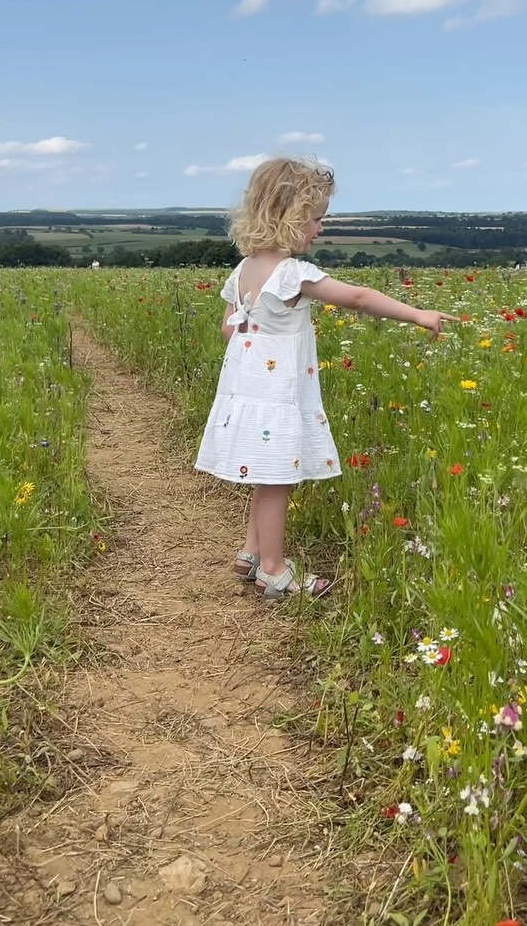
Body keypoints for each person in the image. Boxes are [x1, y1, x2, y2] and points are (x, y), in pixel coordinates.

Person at [195, 157, 459, 600]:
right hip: (276, 395)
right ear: (290, 217)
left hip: (250, 389)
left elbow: (228, 328)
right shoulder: (292, 273)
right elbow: (356, 297)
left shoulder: (242, 270)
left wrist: (258, 330)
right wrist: (416, 314)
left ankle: (250, 552)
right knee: (277, 477)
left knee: (265, 473)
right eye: (316, 219)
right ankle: (275, 570)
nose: (320, 229)